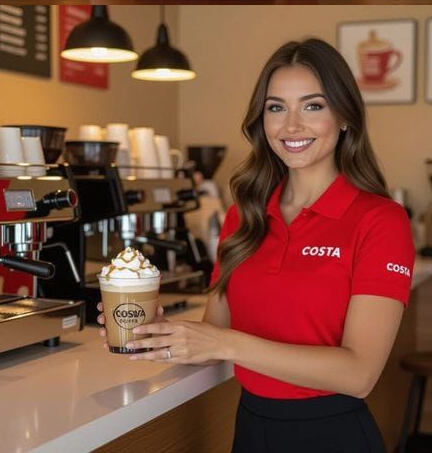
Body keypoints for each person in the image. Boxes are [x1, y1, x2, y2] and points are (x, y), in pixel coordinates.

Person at [97, 38, 414, 453]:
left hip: (332, 435)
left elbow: (359, 373)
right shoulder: (244, 215)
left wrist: (227, 345)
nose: (291, 126)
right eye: (276, 107)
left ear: (344, 118)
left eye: (313, 106)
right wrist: (161, 333)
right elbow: (216, 332)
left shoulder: (380, 220)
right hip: (251, 429)